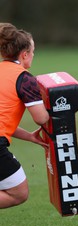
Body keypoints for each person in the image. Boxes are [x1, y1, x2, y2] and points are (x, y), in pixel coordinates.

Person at [0, 23, 49, 209]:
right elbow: (41, 118)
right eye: (33, 51)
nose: (34, 55)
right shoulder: (24, 78)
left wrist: (29, 136)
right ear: (24, 54)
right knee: (18, 193)